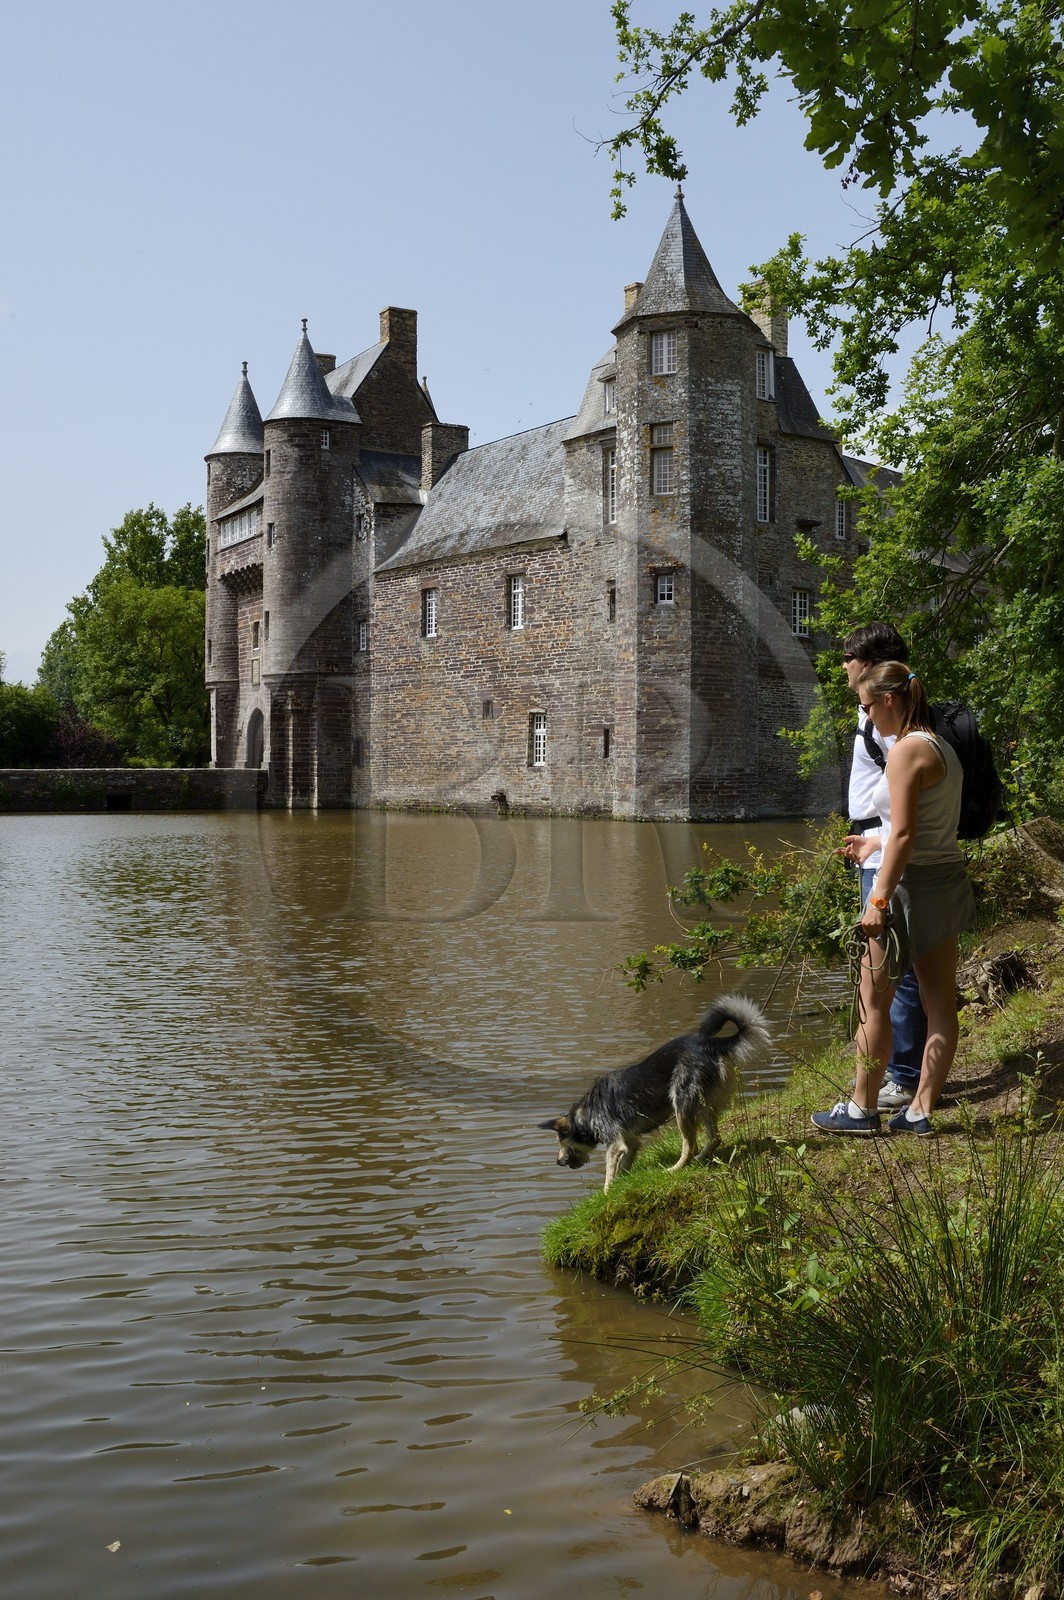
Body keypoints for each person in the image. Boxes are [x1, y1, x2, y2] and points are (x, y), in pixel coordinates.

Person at [812, 662, 976, 1136]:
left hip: (906, 889)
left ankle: (861, 1110)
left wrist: (878, 899)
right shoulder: (942, 746)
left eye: (866, 707)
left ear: (888, 700)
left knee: (873, 1002)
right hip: (944, 881)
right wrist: (872, 844)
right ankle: (920, 1112)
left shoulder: (905, 751)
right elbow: (926, 830)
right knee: (940, 1003)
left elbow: (904, 834)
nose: (866, 717)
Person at [842, 623, 927, 1110]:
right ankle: (899, 1071)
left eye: (851, 656)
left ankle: (900, 1076)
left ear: (872, 663)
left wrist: (878, 848)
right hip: (875, 842)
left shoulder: (890, 716)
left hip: (886, 849)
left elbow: (903, 799)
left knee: (895, 970)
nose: (845, 664)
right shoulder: (874, 710)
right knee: (892, 970)